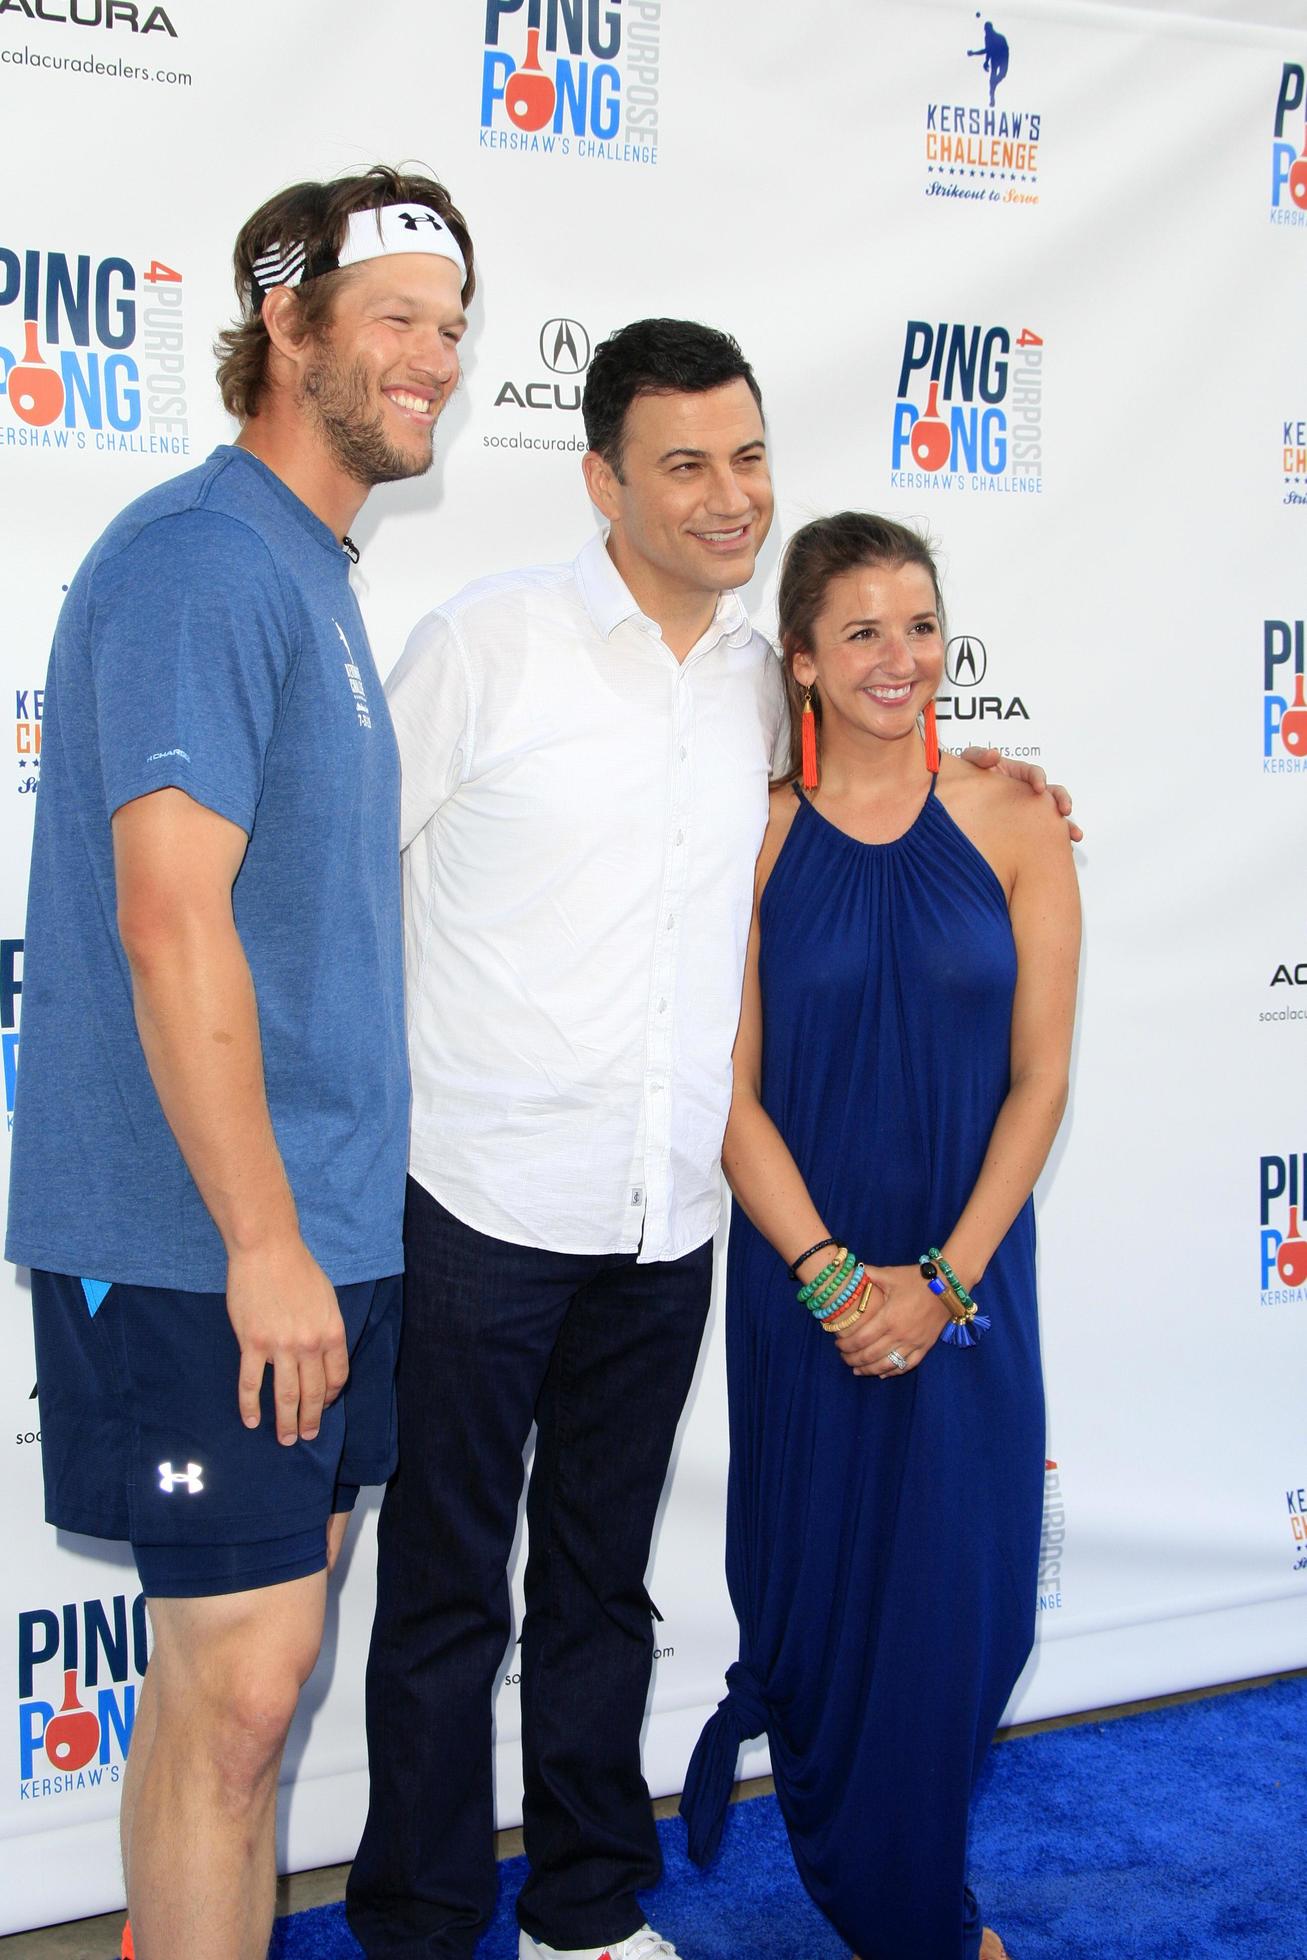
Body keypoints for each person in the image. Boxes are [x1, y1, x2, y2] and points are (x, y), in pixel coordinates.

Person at [347, 324, 1074, 1960]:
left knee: (602, 1583)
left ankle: (588, 1917)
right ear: (604, 478)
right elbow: (342, 881)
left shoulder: (764, 680)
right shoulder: (489, 646)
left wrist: (989, 775)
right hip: (476, 1195)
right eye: (685, 462)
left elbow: (881, 765)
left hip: (663, 1216)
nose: (728, 493)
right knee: (448, 1590)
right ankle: (416, 1924)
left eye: (748, 457)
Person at [4, 165, 474, 1960]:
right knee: (244, 1697)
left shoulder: (312, 570)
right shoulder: (204, 557)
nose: (433, 357)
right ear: (284, 324)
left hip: (321, 1233)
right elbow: (166, 921)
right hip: (214, 1242)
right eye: (395, 318)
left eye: (451, 326)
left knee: (245, 1696)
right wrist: (267, 1245)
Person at [680, 512, 1080, 1960]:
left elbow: (1040, 1081)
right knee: (829, 1611)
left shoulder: (1019, 821)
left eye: (921, 626)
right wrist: (844, 1281)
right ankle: (918, 1921)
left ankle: (916, 1903)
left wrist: (945, 1285)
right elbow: (722, 1091)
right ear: (799, 656)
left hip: (971, 1290)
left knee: (966, 1615)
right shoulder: (752, 834)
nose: (898, 658)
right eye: (860, 630)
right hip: (813, 1293)